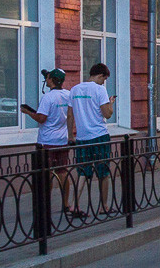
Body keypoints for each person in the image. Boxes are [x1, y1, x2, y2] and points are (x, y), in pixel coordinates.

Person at [22, 69, 74, 217]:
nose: (46, 80)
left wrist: (28, 112)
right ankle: (65, 204)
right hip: (62, 140)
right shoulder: (68, 95)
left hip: (47, 142)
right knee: (62, 172)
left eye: (48, 78)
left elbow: (41, 118)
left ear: (51, 80)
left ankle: (44, 205)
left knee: (45, 174)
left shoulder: (48, 98)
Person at [68, 63, 115, 216]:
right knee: (103, 172)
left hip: (82, 137)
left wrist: (70, 135)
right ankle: (104, 206)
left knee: (82, 172)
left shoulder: (74, 89)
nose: (104, 82)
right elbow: (107, 114)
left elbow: (70, 115)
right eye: (104, 79)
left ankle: (74, 205)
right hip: (99, 136)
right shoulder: (99, 89)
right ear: (100, 75)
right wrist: (111, 104)